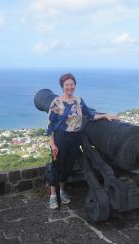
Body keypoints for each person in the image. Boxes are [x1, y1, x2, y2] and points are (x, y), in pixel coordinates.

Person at [46, 73, 119, 209]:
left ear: (74, 85)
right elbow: (50, 125)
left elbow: (90, 114)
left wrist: (105, 116)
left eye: (72, 84)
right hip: (61, 138)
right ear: (62, 86)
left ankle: (61, 192)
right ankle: (53, 196)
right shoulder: (56, 103)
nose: (70, 87)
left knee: (67, 167)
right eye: (67, 84)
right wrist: (53, 144)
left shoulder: (78, 100)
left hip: (75, 138)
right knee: (57, 167)